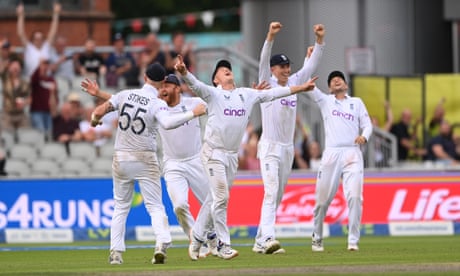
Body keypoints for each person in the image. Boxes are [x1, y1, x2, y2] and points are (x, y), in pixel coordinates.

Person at [175, 55, 319, 260]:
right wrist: (183, 72)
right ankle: (223, 244)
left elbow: (276, 93)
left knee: (214, 198)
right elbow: (195, 85)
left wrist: (301, 88)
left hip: (232, 156)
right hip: (213, 152)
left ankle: (197, 237)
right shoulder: (213, 94)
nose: (227, 70)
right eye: (221, 70)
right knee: (222, 197)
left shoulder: (246, 94)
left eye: (228, 68)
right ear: (215, 79)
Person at [81, 63, 207, 265]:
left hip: (121, 157)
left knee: (121, 207)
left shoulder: (125, 94)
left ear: (145, 76)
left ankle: (115, 252)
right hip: (144, 157)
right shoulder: (157, 103)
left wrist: (95, 120)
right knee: (155, 206)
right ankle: (162, 244)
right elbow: (167, 123)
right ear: (161, 82)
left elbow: (100, 110)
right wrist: (193, 113)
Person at [253, 22, 325, 254]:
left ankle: (258, 239)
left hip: (287, 149)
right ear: (273, 70)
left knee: (279, 194)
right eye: (281, 67)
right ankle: (269, 239)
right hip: (269, 147)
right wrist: (270, 36)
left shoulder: (294, 82)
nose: (285, 70)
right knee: (271, 191)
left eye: (287, 66)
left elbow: (311, 65)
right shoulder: (266, 82)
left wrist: (319, 41)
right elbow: (263, 59)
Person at [310, 71, 373, 252]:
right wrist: (309, 61)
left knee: (355, 197)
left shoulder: (357, 102)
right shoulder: (325, 101)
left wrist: (364, 136)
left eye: (339, 78)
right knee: (322, 201)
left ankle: (353, 241)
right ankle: (317, 237)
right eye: (332, 79)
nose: (336, 80)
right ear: (329, 87)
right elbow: (308, 86)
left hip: (352, 153)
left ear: (346, 84)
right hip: (331, 154)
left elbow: (367, 125)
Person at [16, 2, 61, 78]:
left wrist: (56, 14)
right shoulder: (29, 47)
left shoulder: (46, 46)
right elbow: (21, 33)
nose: (38, 40)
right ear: (32, 40)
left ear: (43, 40)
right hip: (31, 80)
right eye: (36, 39)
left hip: (46, 79)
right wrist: (20, 16)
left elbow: (53, 32)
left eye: (40, 38)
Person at [29, 58, 58, 135]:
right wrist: (40, 66)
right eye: (43, 64)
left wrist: (54, 108)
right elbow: (33, 79)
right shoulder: (36, 79)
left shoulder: (51, 80)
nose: (45, 66)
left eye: (47, 64)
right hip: (37, 111)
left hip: (49, 112)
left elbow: (55, 95)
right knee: (40, 133)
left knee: (49, 133)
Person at [1, 59, 31, 131]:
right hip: (8, 114)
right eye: (14, 67)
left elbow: (29, 97)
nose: (15, 69)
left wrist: (24, 102)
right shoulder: (5, 79)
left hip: (20, 114)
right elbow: (1, 71)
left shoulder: (24, 83)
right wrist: (6, 65)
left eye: (17, 67)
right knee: (7, 135)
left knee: (25, 134)